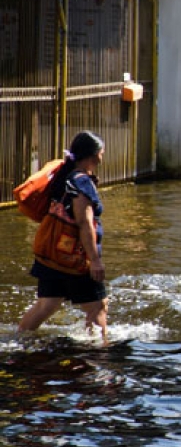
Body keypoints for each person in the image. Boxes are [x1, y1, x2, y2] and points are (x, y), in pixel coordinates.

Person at [18, 131, 108, 340]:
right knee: (98, 306)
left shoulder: (63, 175)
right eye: (101, 152)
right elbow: (85, 224)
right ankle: (99, 352)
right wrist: (94, 260)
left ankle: (18, 341)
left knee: (47, 304)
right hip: (73, 256)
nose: (103, 156)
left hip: (50, 252)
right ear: (93, 155)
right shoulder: (82, 182)